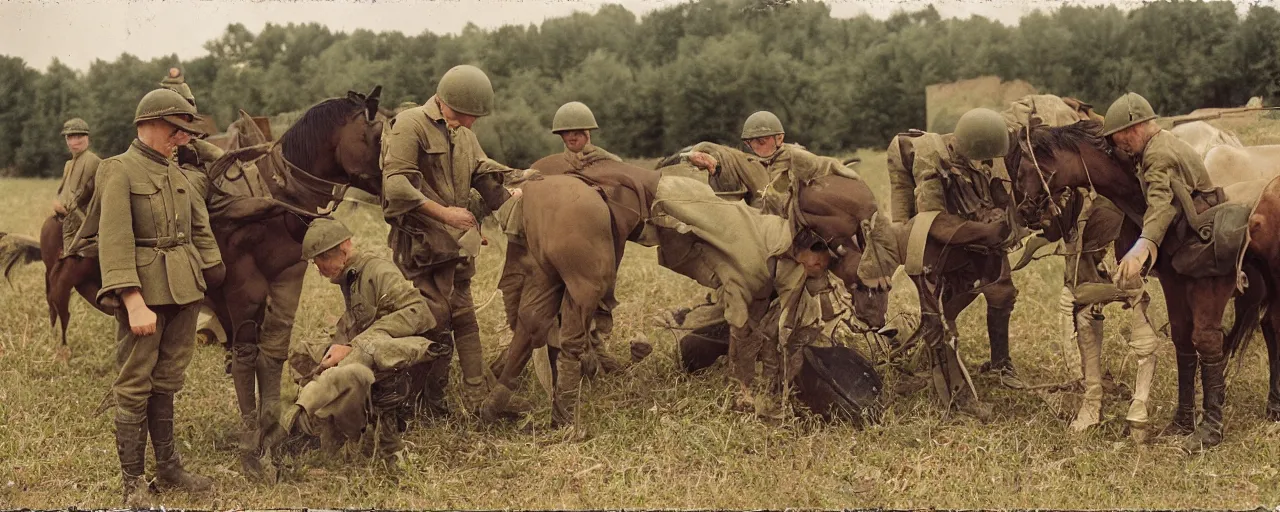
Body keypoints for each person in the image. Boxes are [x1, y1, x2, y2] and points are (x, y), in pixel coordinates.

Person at [96, 88, 222, 505]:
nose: (182, 138)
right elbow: (115, 242)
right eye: (176, 129)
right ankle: (133, 483)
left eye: (185, 132)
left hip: (184, 290)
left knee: (167, 379)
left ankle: (167, 467)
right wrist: (133, 301)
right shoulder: (120, 170)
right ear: (147, 124)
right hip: (145, 295)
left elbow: (198, 229)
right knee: (135, 384)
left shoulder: (177, 174)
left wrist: (210, 272)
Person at [380, 64, 520, 414]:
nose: (471, 123)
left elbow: (483, 174)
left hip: (456, 245)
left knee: (465, 318)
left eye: (475, 117)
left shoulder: (465, 134)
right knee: (436, 323)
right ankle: (425, 403)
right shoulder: (410, 123)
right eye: (464, 114)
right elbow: (394, 184)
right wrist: (446, 215)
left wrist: (514, 190)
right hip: (421, 247)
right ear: (443, 102)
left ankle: (476, 401)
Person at [267, 218, 451, 465]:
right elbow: (357, 320)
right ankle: (316, 420)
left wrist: (353, 346)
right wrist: (337, 345)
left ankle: (311, 423)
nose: (319, 269)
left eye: (321, 260)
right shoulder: (350, 276)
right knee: (305, 351)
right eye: (315, 262)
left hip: (396, 349)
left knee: (349, 367)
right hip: (370, 343)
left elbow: (419, 312)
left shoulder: (378, 270)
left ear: (344, 248)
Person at [1102, 91, 1223, 451]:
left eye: (1121, 136)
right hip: (1188, 248)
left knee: (1205, 335)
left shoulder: (1157, 154)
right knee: (1183, 332)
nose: (1120, 146)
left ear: (1137, 127)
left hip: (1203, 248)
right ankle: (1185, 416)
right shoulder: (1159, 145)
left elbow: (1160, 207)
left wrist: (1143, 247)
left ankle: (1213, 426)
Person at [885, 108, 1023, 417]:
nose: (986, 163)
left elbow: (997, 198)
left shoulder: (987, 153)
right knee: (940, 311)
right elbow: (932, 223)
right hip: (932, 231)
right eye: (982, 158)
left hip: (969, 226)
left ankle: (1001, 363)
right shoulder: (929, 164)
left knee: (1002, 290)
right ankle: (945, 381)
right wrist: (986, 232)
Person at [54, 118, 101, 258]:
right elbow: (63, 192)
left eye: (79, 136)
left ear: (87, 138)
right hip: (67, 220)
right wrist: (58, 203)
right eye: (70, 137)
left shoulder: (94, 162)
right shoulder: (68, 165)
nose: (74, 142)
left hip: (86, 226)